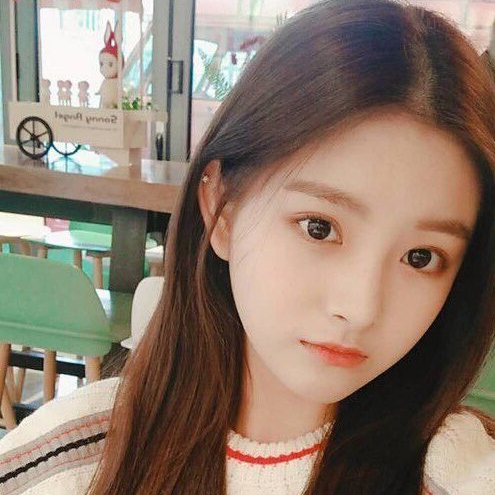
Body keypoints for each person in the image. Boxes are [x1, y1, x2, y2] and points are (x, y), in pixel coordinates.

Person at [1, 0, 495, 493]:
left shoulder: (458, 471)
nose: (361, 308)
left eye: (420, 257)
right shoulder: (68, 460)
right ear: (222, 211)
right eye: (319, 228)